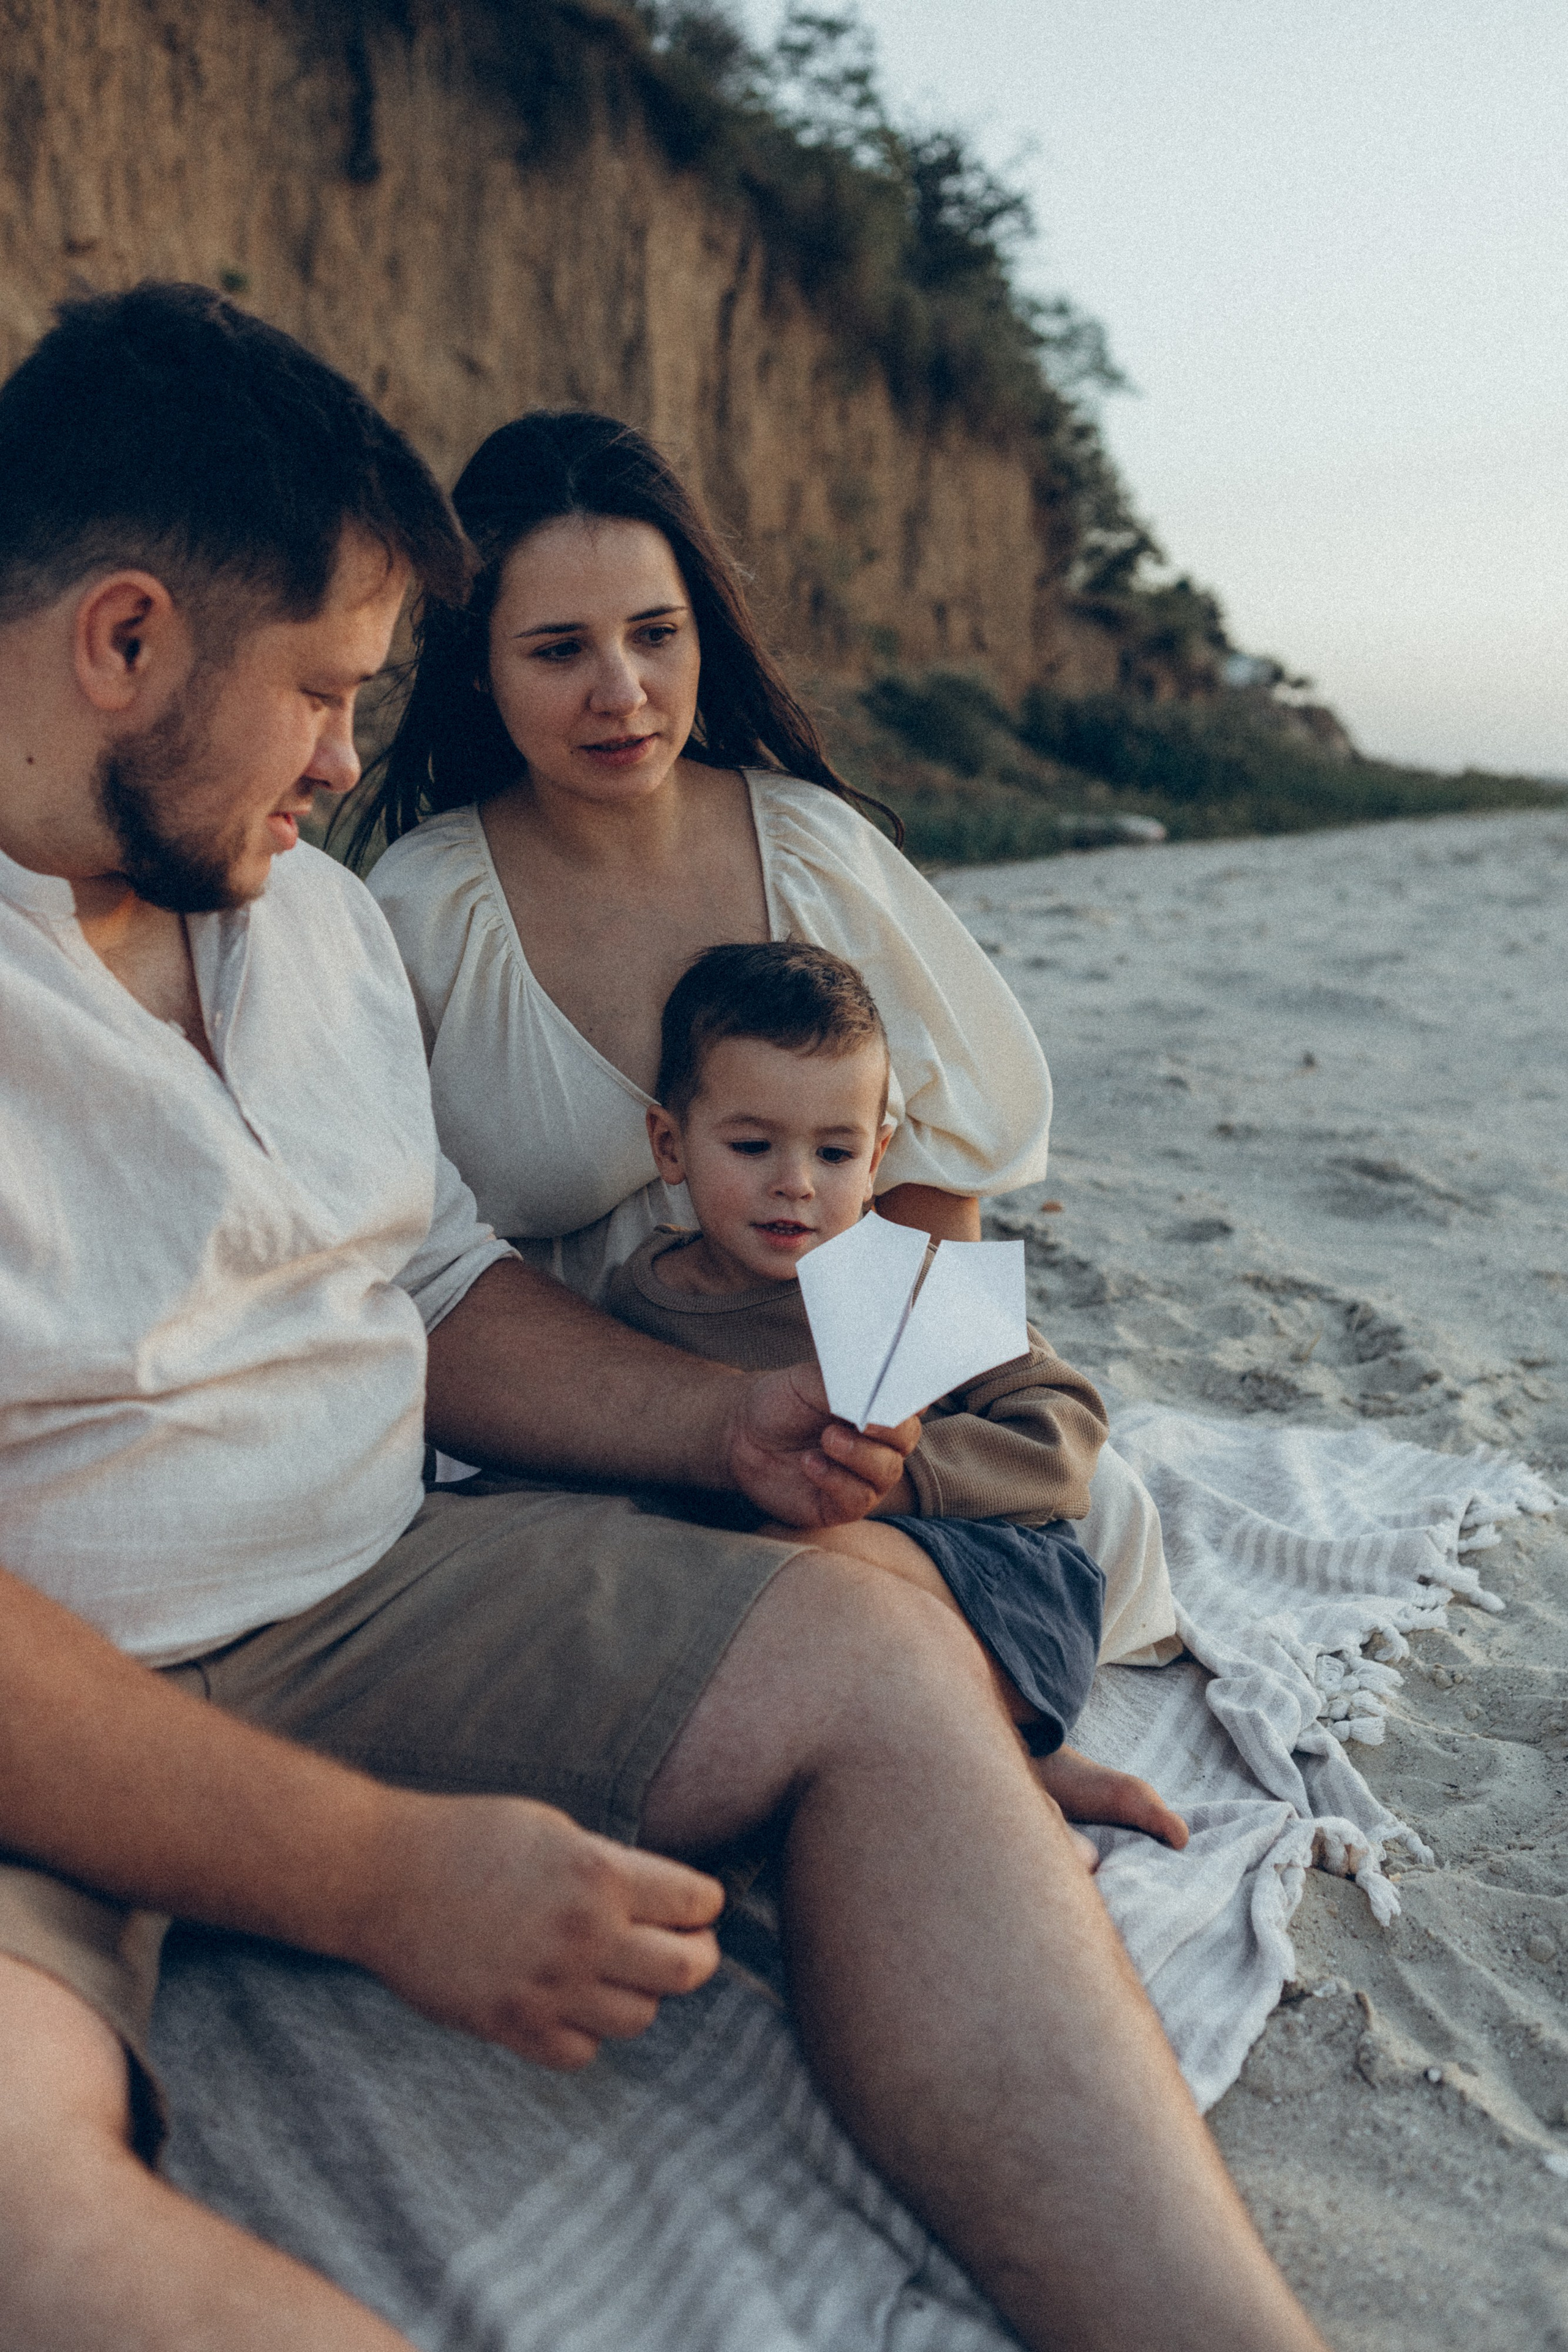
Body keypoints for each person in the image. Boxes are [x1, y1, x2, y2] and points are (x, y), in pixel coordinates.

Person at [0, 284, 1330, 2352]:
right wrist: (375, 1874)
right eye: (327, 694)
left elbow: (441, 1285)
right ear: (126, 643)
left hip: (380, 1586)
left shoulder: (313, 924)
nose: (350, 755)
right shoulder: (406, 893)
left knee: (879, 1641)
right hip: (48, 1707)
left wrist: (727, 1442)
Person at [360, 407, 1182, 1669]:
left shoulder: (807, 850)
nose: (620, 692)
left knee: (1103, 1511)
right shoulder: (423, 909)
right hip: (563, 1422)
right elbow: (397, 1265)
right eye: (558, 649)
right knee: (612, 1566)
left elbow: (932, 1171)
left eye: (654, 634)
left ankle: (902, 1654)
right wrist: (700, 1424)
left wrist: (863, 1421)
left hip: (828, 1374)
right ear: (480, 663)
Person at [607, 935, 1188, 1850]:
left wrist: (906, 1481)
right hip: (757, 1602)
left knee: (812, 1557)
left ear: (878, 1156)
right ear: (670, 1145)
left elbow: (1066, 1428)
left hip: (990, 1586)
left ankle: (1004, 1755)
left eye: (835, 1154)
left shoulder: (894, 1278)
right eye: (753, 1144)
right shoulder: (637, 1300)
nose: (794, 1183)